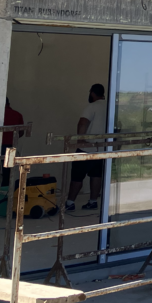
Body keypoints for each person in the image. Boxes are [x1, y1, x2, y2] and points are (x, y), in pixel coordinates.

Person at [65, 84, 107, 212]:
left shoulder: (92, 107)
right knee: (96, 175)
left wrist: (80, 140)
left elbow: (83, 122)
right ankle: (93, 201)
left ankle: (70, 202)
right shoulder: (109, 107)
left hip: (87, 148)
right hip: (102, 148)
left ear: (92, 93)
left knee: (77, 176)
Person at [0, 98, 25, 187]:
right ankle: (5, 195)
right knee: (7, 174)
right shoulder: (17, 115)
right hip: (10, 147)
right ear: (9, 103)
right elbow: (21, 132)